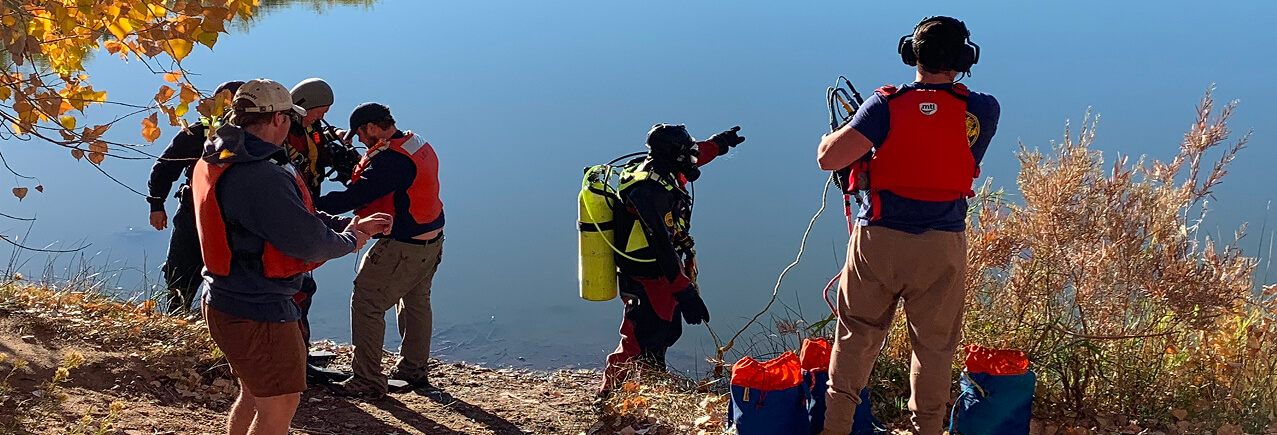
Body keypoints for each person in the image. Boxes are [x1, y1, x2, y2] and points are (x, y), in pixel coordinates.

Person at [815, 17, 1000, 435]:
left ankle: (835, 428)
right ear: (965, 59)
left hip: (878, 240)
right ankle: (927, 429)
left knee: (856, 336)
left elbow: (830, 158)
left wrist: (840, 134)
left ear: (910, 55)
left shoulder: (884, 104)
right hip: (942, 245)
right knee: (934, 349)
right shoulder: (984, 108)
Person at [194, 79, 391, 435]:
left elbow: (291, 217)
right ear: (277, 119)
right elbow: (310, 243)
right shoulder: (260, 175)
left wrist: (347, 222)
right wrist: (353, 237)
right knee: (282, 404)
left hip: (223, 298)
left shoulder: (219, 156)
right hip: (258, 309)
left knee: (254, 395)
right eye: (289, 118)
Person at [313, 103, 446, 398]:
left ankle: (368, 379)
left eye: (360, 134)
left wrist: (308, 202)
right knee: (416, 302)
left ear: (372, 128)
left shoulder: (390, 163)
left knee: (367, 303)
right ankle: (414, 371)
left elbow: (353, 198)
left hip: (404, 247)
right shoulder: (414, 142)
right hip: (432, 240)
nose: (360, 141)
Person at [601, 124, 745, 392]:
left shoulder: (663, 167)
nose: (692, 158)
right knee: (639, 337)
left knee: (667, 331)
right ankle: (610, 393)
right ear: (671, 155)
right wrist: (685, 292)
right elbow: (661, 246)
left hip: (665, 272)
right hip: (647, 274)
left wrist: (719, 143)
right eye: (685, 152)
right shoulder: (647, 193)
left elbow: (695, 154)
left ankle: (652, 379)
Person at [147, 80, 243, 314]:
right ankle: (176, 315)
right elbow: (165, 167)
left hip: (235, 218)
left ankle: (218, 319)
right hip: (196, 212)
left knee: (233, 274)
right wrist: (156, 204)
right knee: (180, 270)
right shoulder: (198, 132)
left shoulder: (252, 137)